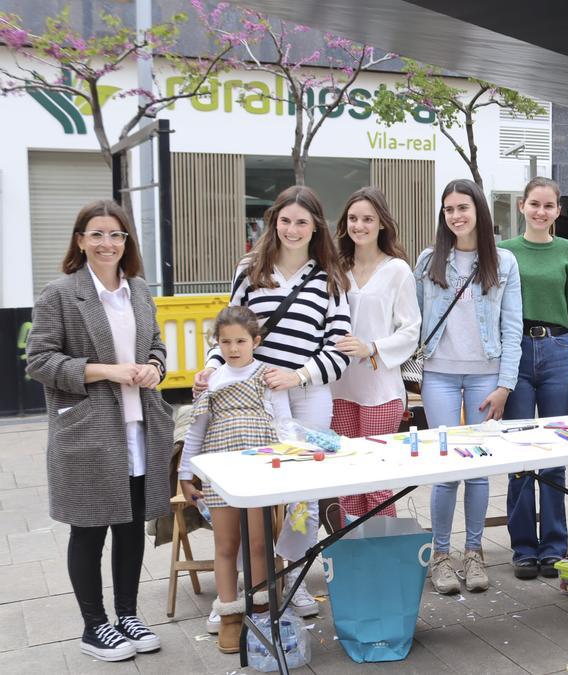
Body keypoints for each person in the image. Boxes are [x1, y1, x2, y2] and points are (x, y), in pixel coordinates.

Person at [195, 185, 351, 619]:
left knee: (305, 495)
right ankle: (249, 587)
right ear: (274, 221)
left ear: (316, 225)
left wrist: (296, 374)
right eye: (285, 220)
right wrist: (211, 369)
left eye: (302, 221)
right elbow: (229, 328)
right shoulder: (250, 269)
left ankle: (295, 577)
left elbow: (338, 350)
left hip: (308, 395)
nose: (293, 229)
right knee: (252, 490)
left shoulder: (330, 276)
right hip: (252, 399)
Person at [26, 200, 172, 662]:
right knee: (89, 529)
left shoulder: (139, 290)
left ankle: (127, 614)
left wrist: (153, 367)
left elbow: (155, 344)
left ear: (126, 242)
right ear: (80, 240)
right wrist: (106, 370)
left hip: (139, 426)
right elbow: (40, 361)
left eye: (116, 235)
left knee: (131, 527)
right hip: (89, 430)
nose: (107, 243)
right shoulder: (61, 294)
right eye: (97, 234)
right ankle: (94, 626)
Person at [415, 179, 522, 595]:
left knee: (478, 470)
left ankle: (474, 552)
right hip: (439, 374)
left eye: (463, 207)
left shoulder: (504, 263)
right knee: (446, 471)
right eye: (448, 209)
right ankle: (441, 556)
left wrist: (505, 385)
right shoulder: (428, 262)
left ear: (479, 210)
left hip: (485, 376)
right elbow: (413, 320)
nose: (456, 216)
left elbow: (512, 329)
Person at [178, 307, 291, 653]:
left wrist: (289, 463)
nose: (233, 348)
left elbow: (284, 424)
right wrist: (185, 473)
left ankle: (259, 612)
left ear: (255, 341)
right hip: (220, 471)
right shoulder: (210, 381)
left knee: (258, 545)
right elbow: (196, 431)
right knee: (225, 546)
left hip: (257, 471)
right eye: (225, 341)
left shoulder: (268, 376)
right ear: (217, 344)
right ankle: (228, 616)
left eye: (241, 340)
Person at [498, 177, 568, 579]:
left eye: (548, 206)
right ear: (522, 206)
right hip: (514, 352)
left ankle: (554, 544)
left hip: (557, 351)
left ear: (557, 210)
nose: (540, 211)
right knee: (520, 456)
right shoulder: (504, 253)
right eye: (534, 204)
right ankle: (522, 547)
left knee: (554, 455)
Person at [330, 187, 421, 518]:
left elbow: (411, 329)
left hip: (381, 389)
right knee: (349, 479)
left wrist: (372, 347)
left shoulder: (397, 270)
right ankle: (353, 557)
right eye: (353, 219)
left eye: (368, 219)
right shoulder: (336, 268)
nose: (359, 226)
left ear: (381, 223)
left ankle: (383, 556)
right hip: (339, 387)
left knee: (376, 481)